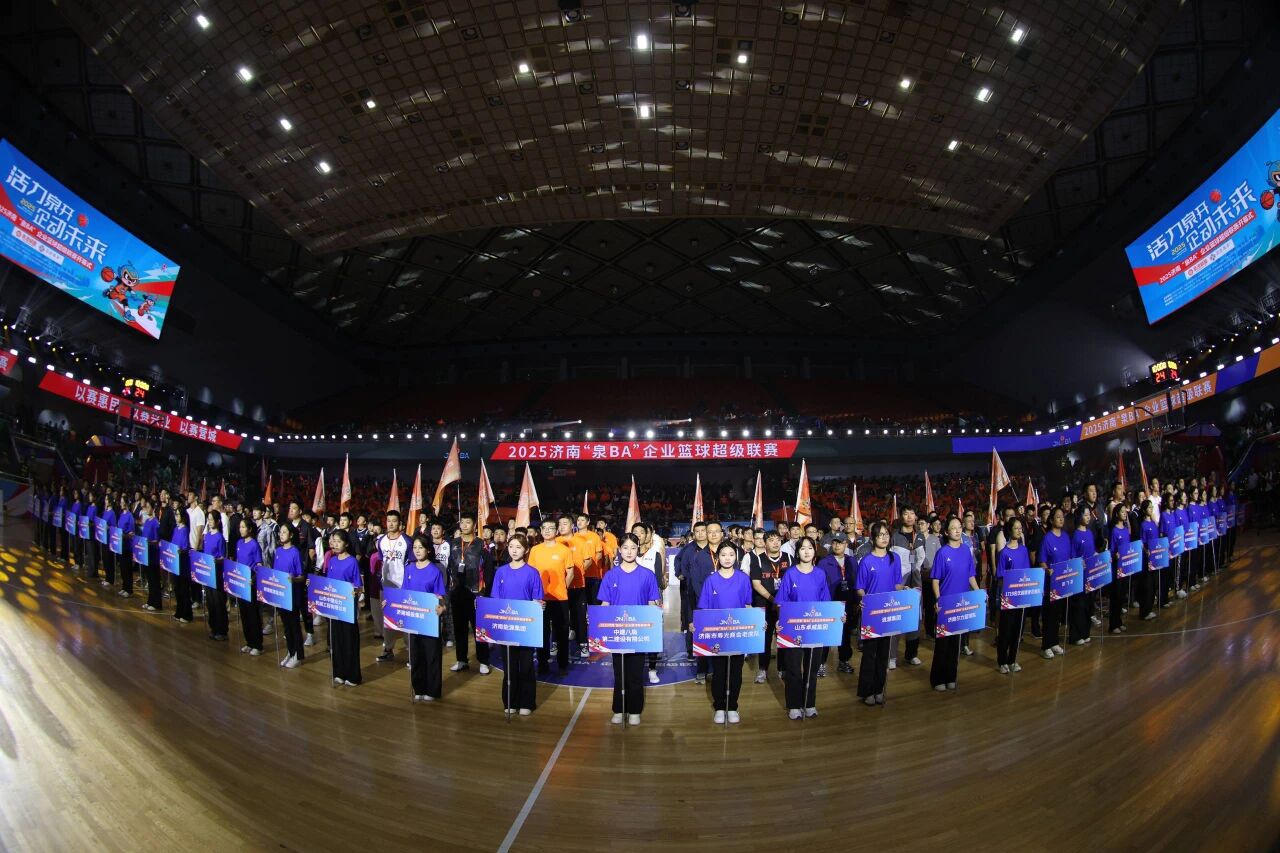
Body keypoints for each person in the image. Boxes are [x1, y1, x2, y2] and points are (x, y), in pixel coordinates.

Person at [596, 533, 661, 725]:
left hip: (638, 634)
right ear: (619, 550)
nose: (629, 552)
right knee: (619, 673)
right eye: (625, 548)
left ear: (638, 549)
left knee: (635, 672)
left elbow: (652, 604)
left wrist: (654, 621)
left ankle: (634, 710)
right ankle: (619, 708)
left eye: (633, 548)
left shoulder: (647, 575)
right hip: (618, 633)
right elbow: (605, 604)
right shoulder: (611, 575)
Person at [777, 537, 836, 719]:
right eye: (803, 548)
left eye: (810, 548)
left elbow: (826, 602)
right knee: (794, 668)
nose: (806, 551)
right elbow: (781, 602)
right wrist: (780, 621)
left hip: (815, 629)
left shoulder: (820, 574)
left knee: (812, 667)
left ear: (814, 551)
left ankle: (809, 703)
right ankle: (794, 705)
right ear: (797, 552)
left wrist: (836, 617)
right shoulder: (790, 574)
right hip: (793, 629)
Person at [697, 541, 753, 724]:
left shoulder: (743, 579)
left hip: (737, 634)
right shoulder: (711, 580)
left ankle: (733, 706)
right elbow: (704, 609)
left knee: (736, 672)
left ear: (736, 557)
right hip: (717, 635)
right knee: (719, 672)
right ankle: (720, 706)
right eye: (723, 555)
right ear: (717, 557)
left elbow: (747, 606)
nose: (727, 558)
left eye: (731, 554)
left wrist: (755, 624)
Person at [489, 534, 544, 715]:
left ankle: (527, 702)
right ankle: (510, 701)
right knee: (509, 665)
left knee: (526, 665)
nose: (514, 550)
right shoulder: (501, 572)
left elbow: (537, 599)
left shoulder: (532, 572)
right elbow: (495, 599)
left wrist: (539, 605)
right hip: (506, 626)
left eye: (518, 547)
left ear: (526, 550)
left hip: (526, 627)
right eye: (511, 546)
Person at [854, 521, 901, 704]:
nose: (884, 538)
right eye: (880, 535)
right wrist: (865, 599)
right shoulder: (867, 561)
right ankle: (867, 691)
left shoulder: (895, 558)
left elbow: (897, 583)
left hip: (888, 612)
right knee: (870, 654)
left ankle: (879, 689)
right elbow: (860, 587)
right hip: (872, 614)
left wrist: (904, 593)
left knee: (884, 653)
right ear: (873, 538)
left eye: (886, 534)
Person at [931, 517, 979, 691]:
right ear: (946, 532)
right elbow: (935, 580)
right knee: (943, 644)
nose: (957, 530)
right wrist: (938, 600)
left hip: (962, 604)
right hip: (946, 604)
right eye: (953, 528)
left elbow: (970, 575)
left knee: (956, 643)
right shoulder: (942, 553)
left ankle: (951, 676)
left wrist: (978, 592)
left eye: (959, 527)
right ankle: (938, 679)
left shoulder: (966, 550)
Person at [403, 534, 448, 702]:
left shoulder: (435, 571)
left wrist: (442, 608)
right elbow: (404, 592)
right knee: (416, 654)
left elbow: (440, 596)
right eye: (415, 548)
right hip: (414, 618)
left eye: (420, 547)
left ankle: (432, 689)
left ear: (428, 550)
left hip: (430, 620)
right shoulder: (409, 568)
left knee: (431, 655)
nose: (417, 551)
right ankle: (418, 687)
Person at [446, 516, 492, 674]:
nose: (464, 525)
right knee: (459, 628)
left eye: (468, 522)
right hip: (458, 592)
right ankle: (461, 660)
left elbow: (488, 570)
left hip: (476, 593)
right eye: (462, 522)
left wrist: (485, 593)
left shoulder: (481, 544)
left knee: (479, 628)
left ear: (474, 525)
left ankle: (483, 661)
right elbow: (449, 567)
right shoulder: (453, 543)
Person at [529, 519, 574, 676]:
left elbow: (570, 573)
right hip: (540, 599)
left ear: (556, 531)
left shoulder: (564, 550)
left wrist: (562, 588)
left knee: (561, 633)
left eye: (551, 528)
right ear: (541, 531)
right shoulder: (535, 550)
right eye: (545, 528)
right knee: (541, 633)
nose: (547, 530)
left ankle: (562, 665)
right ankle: (542, 664)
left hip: (560, 599)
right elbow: (531, 574)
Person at [747, 529, 791, 683]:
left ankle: (782, 668)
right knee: (764, 638)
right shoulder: (758, 560)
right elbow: (756, 584)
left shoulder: (788, 558)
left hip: (784, 605)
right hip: (764, 604)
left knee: (783, 636)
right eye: (771, 540)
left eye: (778, 539)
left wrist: (782, 601)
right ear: (764, 543)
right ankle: (762, 669)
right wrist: (774, 599)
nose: (775, 543)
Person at [324, 529, 363, 686]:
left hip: (347, 608)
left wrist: (354, 591)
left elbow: (358, 586)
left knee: (349, 641)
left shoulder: (352, 561)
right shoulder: (332, 561)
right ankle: (339, 672)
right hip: (334, 607)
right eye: (333, 541)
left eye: (339, 541)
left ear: (346, 544)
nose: (335, 544)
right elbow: (328, 583)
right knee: (336, 641)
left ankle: (353, 675)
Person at [815, 533, 854, 678]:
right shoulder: (824, 562)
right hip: (829, 603)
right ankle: (820, 663)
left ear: (846, 544)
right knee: (826, 634)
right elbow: (819, 585)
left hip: (847, 603)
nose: (837, 545)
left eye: (840, 542)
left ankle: (844, 661)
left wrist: (856, 602)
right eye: (834, 543)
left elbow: (856, 581)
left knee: (845, 634)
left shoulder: (851, 561)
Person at [374, 510, 411, 663]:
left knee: (406, 619)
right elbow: (382, 561)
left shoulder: (407, 541)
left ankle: (411, 652)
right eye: (388, 520)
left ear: (399, 523)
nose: (390, 524)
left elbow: (412, 564)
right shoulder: (381, 540)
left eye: (394, 521)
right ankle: (388, 649)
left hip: (403, 586)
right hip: (387, 587)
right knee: (388, 618)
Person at [995, 517, 1031, 673]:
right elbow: (1000, 577)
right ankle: (1002, 661)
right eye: (1016, 528)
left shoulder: (1023, 550)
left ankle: (1012, 659)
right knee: (1006, 630)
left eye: (1020, 528)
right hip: (1009, 597)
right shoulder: (1004, 553)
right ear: (1009, 531)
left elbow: (1028, 572)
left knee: (1018, 630)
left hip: (1022, 595)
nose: (1019, 530)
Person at [1037, 507, 1070, 657]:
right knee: (1049, 615)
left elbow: (1070, 558)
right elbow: (1042, 561)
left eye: (1062, 516)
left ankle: (1054, 642)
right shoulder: (1047, 539)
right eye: (1057, 517)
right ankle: (1046, 646)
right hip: (1051, 584)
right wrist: (1047, 570)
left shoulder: (1066, 537)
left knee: (1058, 615)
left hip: (1064, 582)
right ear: (1051, 520)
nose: (1061, 519)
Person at [274, 523, 307, 668]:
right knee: (286, 626)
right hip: (281, 594)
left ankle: (298, 655)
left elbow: (301, 576)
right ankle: (290, 651)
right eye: (280, 532)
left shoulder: (295, 552)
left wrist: (293, 579)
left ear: (291, 535)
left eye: (284, 532)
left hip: (292, 595)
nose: (281, 534)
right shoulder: (278, 551)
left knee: (294, 626)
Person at [235, 518, 265, 656]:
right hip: (240, 582)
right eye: (240, 527)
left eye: (243, 527)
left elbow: (259, 565)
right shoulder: (239, 543)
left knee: (253, 614)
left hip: (250, 583)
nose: (241, 529)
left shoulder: (254, 545)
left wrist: (253, 579)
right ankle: (249, 642)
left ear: (250, 529)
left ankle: (257, 644)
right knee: (244, 613)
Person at [1067, 507, 1096, 645]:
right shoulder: (1075, 535)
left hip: (1091, 575)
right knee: (1079, 606)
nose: (1088, 517)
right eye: (1086, 515)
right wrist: (1079, 563)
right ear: (1079, 517)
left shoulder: (1089, 533)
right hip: (1080, 577)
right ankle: (1076, 635)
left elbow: (1092, 552)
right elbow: (1072, 556)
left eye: (1089, 514)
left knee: (1088, 606)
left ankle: (1085, 632)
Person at [202, 512, 229, 641]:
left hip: (217, 575)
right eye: (209, 519)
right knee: (210, 603)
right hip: (208, 574)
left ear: (218, 521)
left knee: (218, 603)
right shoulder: (207, 536)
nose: (210, 522)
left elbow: (223, 557)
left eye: (212, 519)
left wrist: (215, 560)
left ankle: (222, 630)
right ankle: (213, 628)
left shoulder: (220, 538)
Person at [1138, 499, 1160, 621]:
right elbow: (1141, 542)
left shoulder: (1153, 523)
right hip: (1147, 559)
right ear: (1144, 510)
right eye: (1149, 507)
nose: (1151, 509)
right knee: (1147, 585)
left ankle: (1150, 609)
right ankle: (1144, 611)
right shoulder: (1143, 525)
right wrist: (1146, 551)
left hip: (1156, 557)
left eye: (1152, 507)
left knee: (1153, 584)